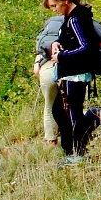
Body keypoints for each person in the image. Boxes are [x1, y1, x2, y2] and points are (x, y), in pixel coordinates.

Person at [43, 0, 98, 165]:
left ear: (65, 0)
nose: (54, 9)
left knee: (70, 113)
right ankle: (72, 150)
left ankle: (78, 153)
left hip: (75, 73)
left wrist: (62, 55)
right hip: (74, 72)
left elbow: (86, 47)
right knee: (61, 111)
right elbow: (72, 39)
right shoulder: (73, 16)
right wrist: (57, 43)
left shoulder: (75, 18)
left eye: (55, 5)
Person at [33, 14, 63, 146]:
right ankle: (73, 141)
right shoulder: (77, 23)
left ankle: (52, 141)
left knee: (49, 106)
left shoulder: (47, 33)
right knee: (71, 105)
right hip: (68, 68)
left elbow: (36, 70)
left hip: (46, 70)